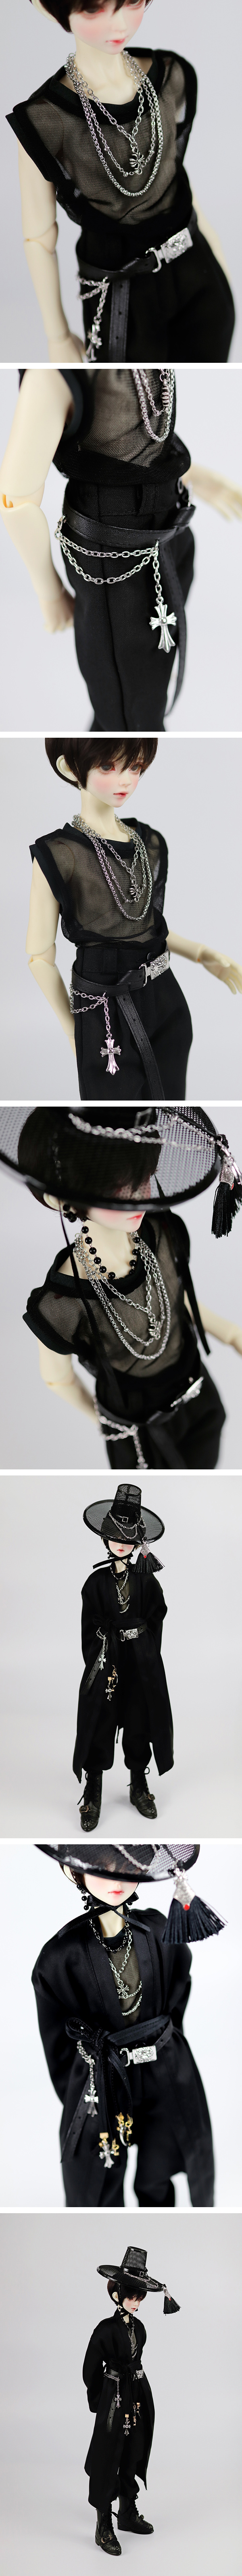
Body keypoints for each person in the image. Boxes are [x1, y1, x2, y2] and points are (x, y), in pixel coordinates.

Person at [1, 367, 242, 728]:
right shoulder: (57, 374)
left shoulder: (129, 361)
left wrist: (187, 474)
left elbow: (140, 436)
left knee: (146, 686)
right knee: (130, 713)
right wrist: (49, 591)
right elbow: (16, 500)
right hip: (114, 551)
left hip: (171, 527)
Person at [10, 1100, 242, 1471]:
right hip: (138, 1428)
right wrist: (112, 1426)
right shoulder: (63, 1303)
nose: (139, 1195)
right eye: (117, 1188)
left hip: (196, 1387)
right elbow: (58, 1379)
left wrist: (232, 1334)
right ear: (61, 1197)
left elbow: (175, 1297)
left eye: (145, 1176)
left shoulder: (161, 1232)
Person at [7, 3, 235, 362]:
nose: (120, 24)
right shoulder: (45, 121)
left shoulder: (170, 76)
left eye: (132, 2)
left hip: (200, 276)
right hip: (121, 297)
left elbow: (175, 181)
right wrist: (58, 335)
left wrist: (217, 254)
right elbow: (39, 238)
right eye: (94, 8)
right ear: (50, 8)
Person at [27, 733, 242, 1101]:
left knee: (169, 1114)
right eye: (108, 766)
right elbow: (39, 957)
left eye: (136, 766)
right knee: (115, 1123)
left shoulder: (148, 842)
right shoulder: (60, 854)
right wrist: (73, 1028)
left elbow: (146, 926)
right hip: (104, 1006)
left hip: (166, 997)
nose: (125, 780)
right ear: (70, 768)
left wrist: (202, 953)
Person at [32, 1839, 223, 2208]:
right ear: (74, 1872)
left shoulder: (159, 1930)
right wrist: (82, 2086)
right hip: (103, 2074)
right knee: (100, 2175)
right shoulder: (61, 1956)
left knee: (160, 2167)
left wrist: (168, 2046)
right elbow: (57, 2042)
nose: (116, 1881)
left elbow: (179, 1991)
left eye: (126, 1869)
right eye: (101, 1870)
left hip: (163, 2065)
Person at [73, 1480, 173, 1825]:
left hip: (141, 1661)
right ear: (105, 1537)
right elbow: (89, 1626)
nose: (121, 1543)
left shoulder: (147, 1581)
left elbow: (157, 1616)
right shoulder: (95, 1583)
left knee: (140, 1717)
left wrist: (146, 1649)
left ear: (138, 1542)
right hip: (108, 1658)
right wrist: (105, 1643)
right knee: (99, 1717)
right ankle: (94, 1787)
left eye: (128, 1537)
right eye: (115, 1535)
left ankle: (138, 1784)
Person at [83, 2242, 179, 2555]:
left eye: (140, 2298)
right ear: (117, 2294)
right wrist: (100, 2399)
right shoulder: (105, 2330)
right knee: (107, 2454)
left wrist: (138, 2391)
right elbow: (90, 2370)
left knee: (134, 2449)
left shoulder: (141, 2328)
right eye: (132, 2297)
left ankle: (127, 2512)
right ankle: (104, 2524)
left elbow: (136, 2361)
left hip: (136, 2394)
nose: (136, 2303)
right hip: (114, 2397)